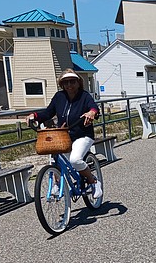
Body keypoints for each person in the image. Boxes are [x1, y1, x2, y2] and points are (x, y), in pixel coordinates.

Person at [27, 69, 102, 199]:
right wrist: (35, 116)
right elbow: (48, 112)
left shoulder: (84, 96)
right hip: (63, 136)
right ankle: (56, 183)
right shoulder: (59, 97)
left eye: (72, 81)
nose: (69, 85)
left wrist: (91, 113)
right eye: (65, 82)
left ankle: (93, 181)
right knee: (55, 158)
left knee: (75, 160)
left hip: (82, 135)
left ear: (78, 83)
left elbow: (94, 107)